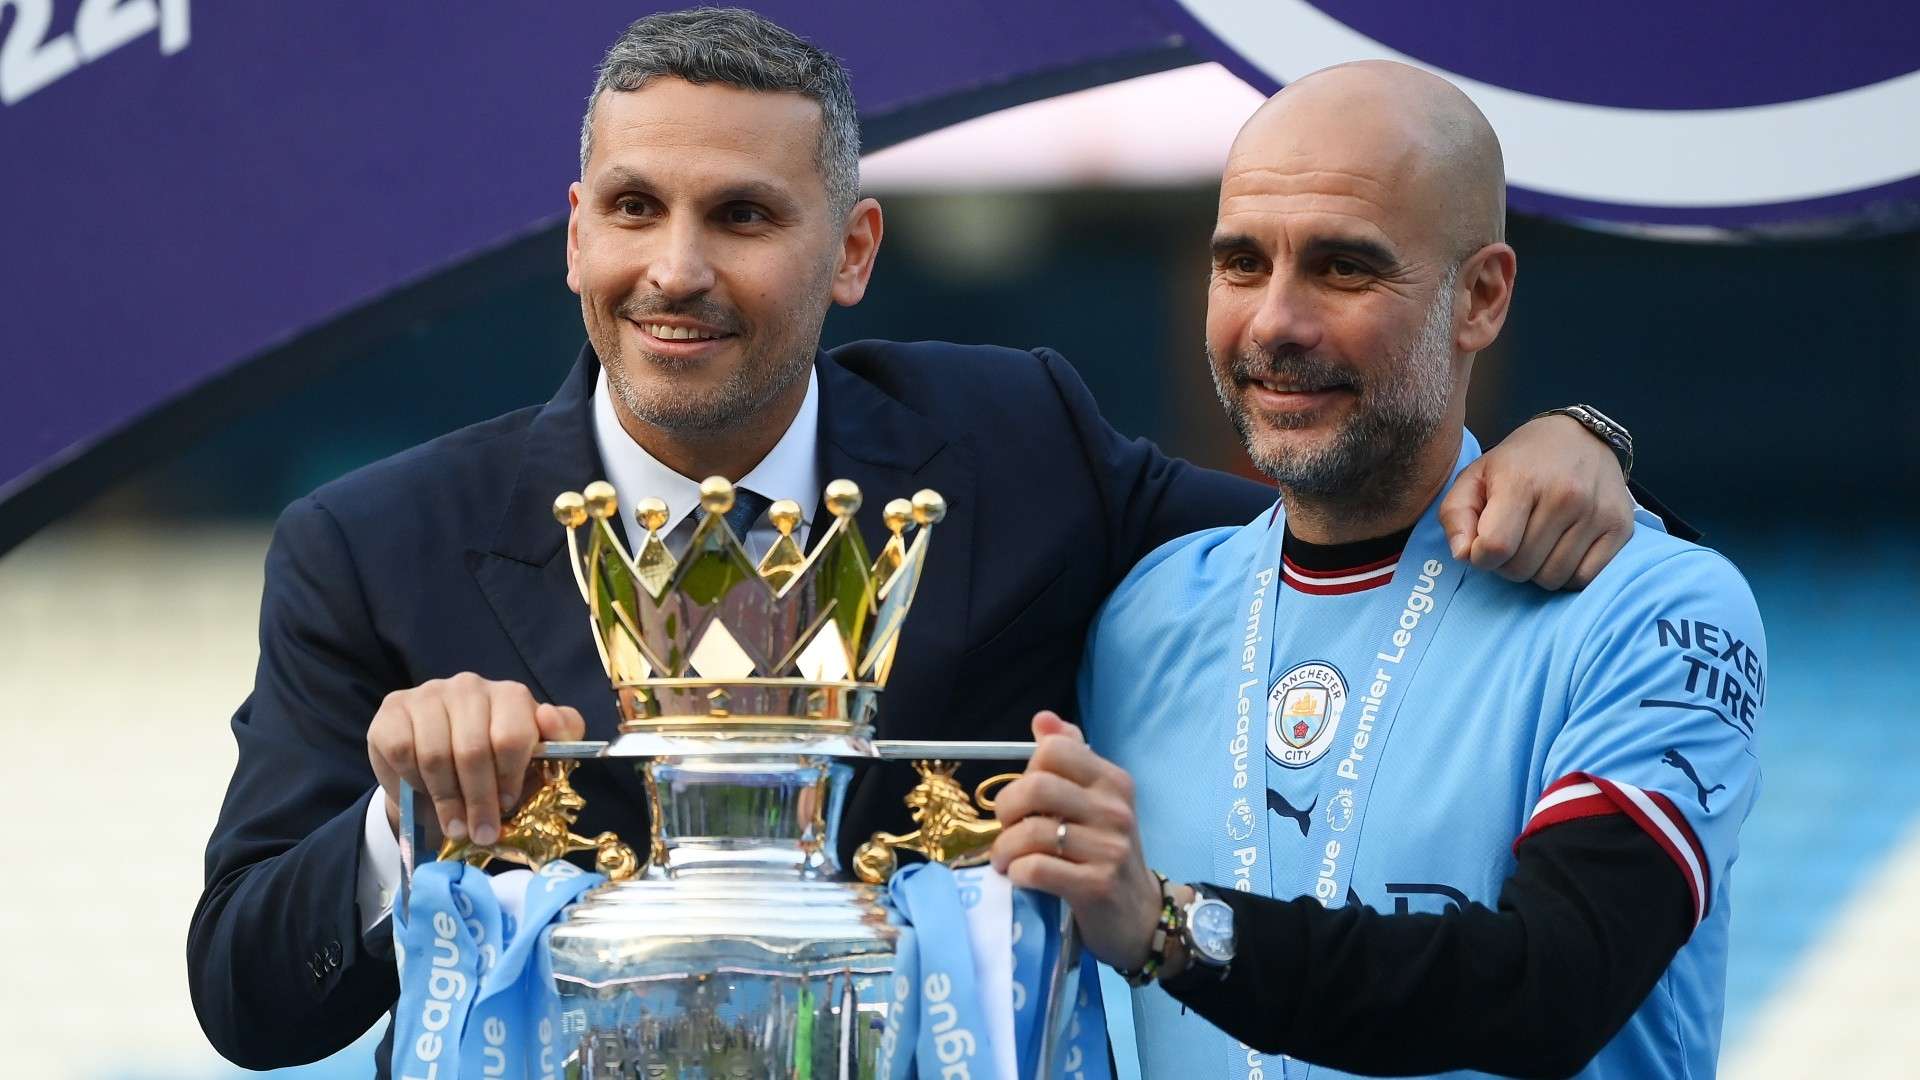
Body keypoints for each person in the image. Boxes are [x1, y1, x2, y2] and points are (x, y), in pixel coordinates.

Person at [188, 10, 1675, 1072]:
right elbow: (249, 999)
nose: (678, 269)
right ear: (576, 233)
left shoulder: (1016, 441)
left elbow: (1335, 522)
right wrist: (400, 828)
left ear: (852, 252)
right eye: (635, 208)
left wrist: (1578, 444)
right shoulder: (373, 546)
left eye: (746, 214)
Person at [989, 60, 1763, 1080]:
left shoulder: (1649, 606)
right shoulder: (1138, 616)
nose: (1275, 322)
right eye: (1240, 264)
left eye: (1344, 267)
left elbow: (1550, 988)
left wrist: (1174, 927)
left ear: (1480, 297)